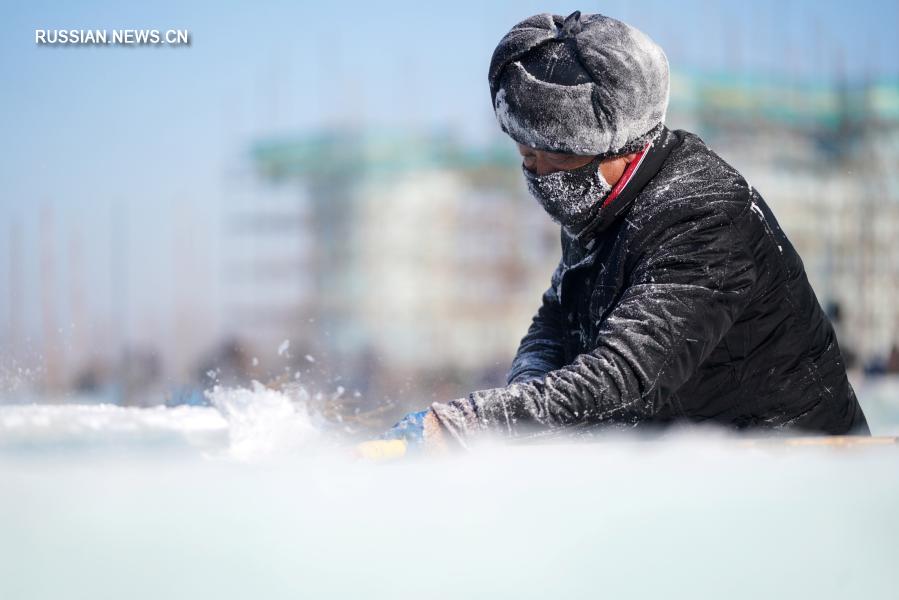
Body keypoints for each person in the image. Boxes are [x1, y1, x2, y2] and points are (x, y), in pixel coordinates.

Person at [382, 10, 869, 451]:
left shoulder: (702, 214)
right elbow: (558, 319)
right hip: (685, 466)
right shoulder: (601, 204)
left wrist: (471, 426)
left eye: (559, 155)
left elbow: (626, 377)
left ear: (624, 140)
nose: (543, 175)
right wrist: (524, 395)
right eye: (527, 157)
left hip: (792, 465)